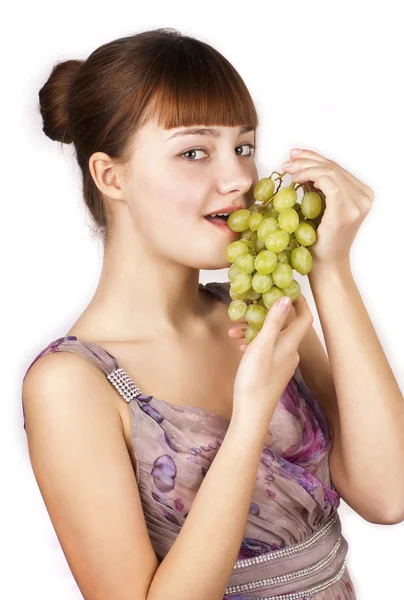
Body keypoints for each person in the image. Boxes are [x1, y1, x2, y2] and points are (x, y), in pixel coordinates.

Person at [22, 27, 358, 599]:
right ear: (110, 175)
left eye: (244, 147)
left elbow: (389, 492)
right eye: (194, 152)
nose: (237, 180)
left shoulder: (260, 313)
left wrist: (332, 270)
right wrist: (250, 416)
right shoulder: (71, 385)